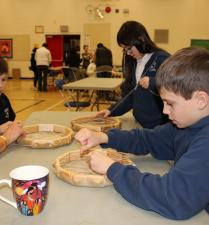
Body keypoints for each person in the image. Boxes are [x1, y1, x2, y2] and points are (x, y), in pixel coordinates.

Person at [75, 47, 209, 220]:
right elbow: (148, 138)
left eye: (170, 104)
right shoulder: (187, 125)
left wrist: (112, 169)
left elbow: (173, 198)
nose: (165, 111)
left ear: (201, 100)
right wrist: (104, 137)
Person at [97, 21, 170, 128]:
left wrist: (153, 82)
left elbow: (177, 85)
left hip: (159, 127)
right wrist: (111, 110)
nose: (128, 53)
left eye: (129, 48)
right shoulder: (135, 62)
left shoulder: (162, 59)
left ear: (141, 39)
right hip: (139, 124)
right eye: (125, 49)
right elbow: (132, 95)